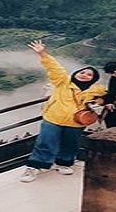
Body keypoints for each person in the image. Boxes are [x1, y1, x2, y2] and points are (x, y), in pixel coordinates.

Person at [20, 40, 105, 183]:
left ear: (94, 79)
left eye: (89, 74)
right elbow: (55, 68)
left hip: (76, 121)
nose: (84, 75)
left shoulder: (97, 90)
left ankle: (64, 163)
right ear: (76, 73)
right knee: (45, 142)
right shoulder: (63, 82)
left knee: (70, 144)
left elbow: (101, 101)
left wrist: (100, 103)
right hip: (54, 117)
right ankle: (34, 167)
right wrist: (43, 54)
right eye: (82, 72)